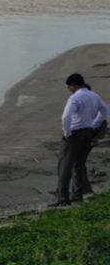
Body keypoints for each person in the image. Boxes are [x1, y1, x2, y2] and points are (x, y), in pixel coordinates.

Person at [51, 73, 108, 206]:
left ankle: (62, 197)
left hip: (75, 133)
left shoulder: (75, 97)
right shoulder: (94, 95)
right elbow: (105, 111)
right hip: (88, 132)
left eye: (69, 87)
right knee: (79, 164)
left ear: (74, 85)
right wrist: (94, 125)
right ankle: (78, 194)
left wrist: (67, 132)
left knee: (65, 165)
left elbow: (66, 117)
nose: (69, 89)